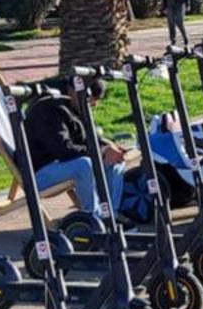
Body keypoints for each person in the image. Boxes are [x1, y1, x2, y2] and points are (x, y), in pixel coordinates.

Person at [24, 78, 126, 217]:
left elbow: (86, 138)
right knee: (85, 165)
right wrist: (101, 152)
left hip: (62, 165)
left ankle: (110, 215)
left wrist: (108, 147)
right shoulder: (49, 110)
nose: (94, 104)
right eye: (91, 99)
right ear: (72, 90)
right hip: (39, 174)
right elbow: (64, 150)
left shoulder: (73, 105)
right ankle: (92, 217)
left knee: (115, 161)